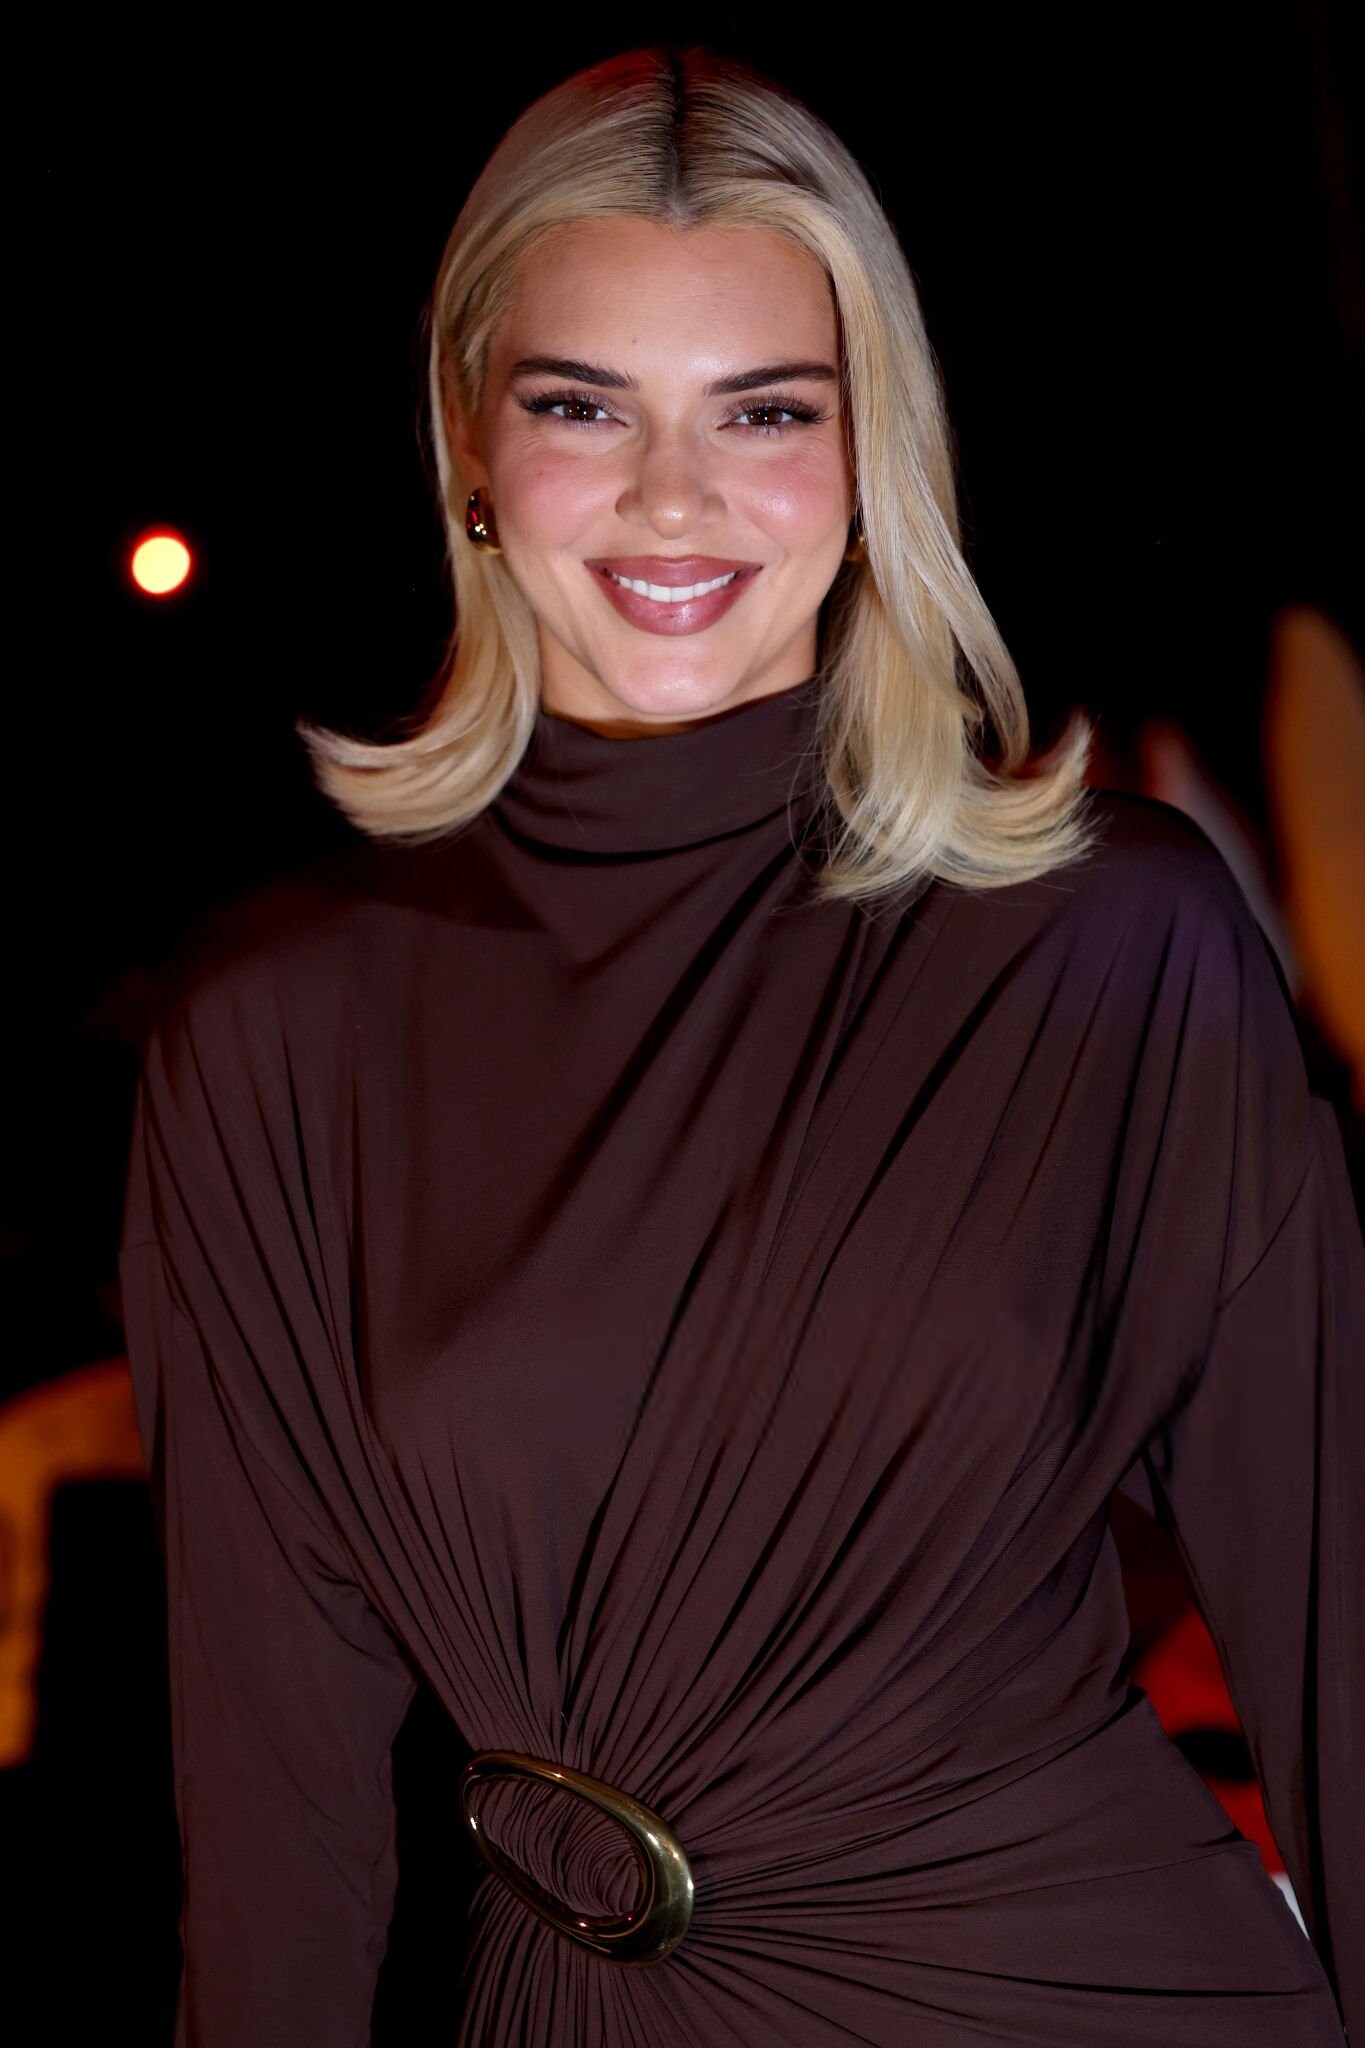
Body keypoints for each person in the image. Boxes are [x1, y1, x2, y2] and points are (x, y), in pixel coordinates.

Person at [119, 46, 1363, 2048]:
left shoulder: (1109, 944)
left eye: (766, 410)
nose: (671, 495)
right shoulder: (273, 1023)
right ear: (468, 439)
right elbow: (273, 1796)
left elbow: (1338, 1623)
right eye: (580, 406)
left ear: (873, 459)